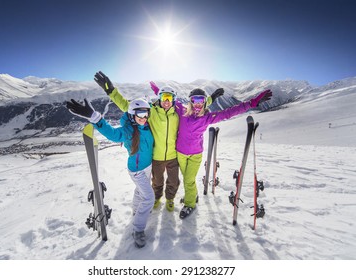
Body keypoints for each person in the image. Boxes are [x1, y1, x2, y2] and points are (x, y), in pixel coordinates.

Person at [162, 86, 272, 219]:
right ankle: (193, 194)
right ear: (190, 101)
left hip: (195, 154)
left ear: (204, 102)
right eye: (194, 100)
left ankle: (190, 203)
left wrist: (251, 103)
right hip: (180, 152)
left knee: (189, 179)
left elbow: (229, 112)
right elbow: (166, 99)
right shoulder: (182, 111)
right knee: (187, 179)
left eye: (201, 100)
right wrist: (158, 90)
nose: (198, 104)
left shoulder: (208, 117)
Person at [66, 97, 154, 248]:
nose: (144, 117)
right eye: (140, 114)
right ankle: (138, 229)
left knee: (140, 192)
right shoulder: (129, 131)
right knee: (149, 198)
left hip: (147, 167)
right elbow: (112, 134)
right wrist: (95, 118)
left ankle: (135, 212)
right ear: (133, 115)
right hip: (137, 170)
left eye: (146, 114)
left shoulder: (146, 126)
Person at [94, 72, 182, 212]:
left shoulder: (178, 114)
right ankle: (157, 197)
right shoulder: (152, 112)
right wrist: (111, 91)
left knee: (173, 181)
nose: (166, 101)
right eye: (164, 97)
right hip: (157, 156)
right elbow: (127, 106)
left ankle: (170, 199)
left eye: (169, 98)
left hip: (173, 155)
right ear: (159, 98)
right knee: (157, 181)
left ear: (173, 100)